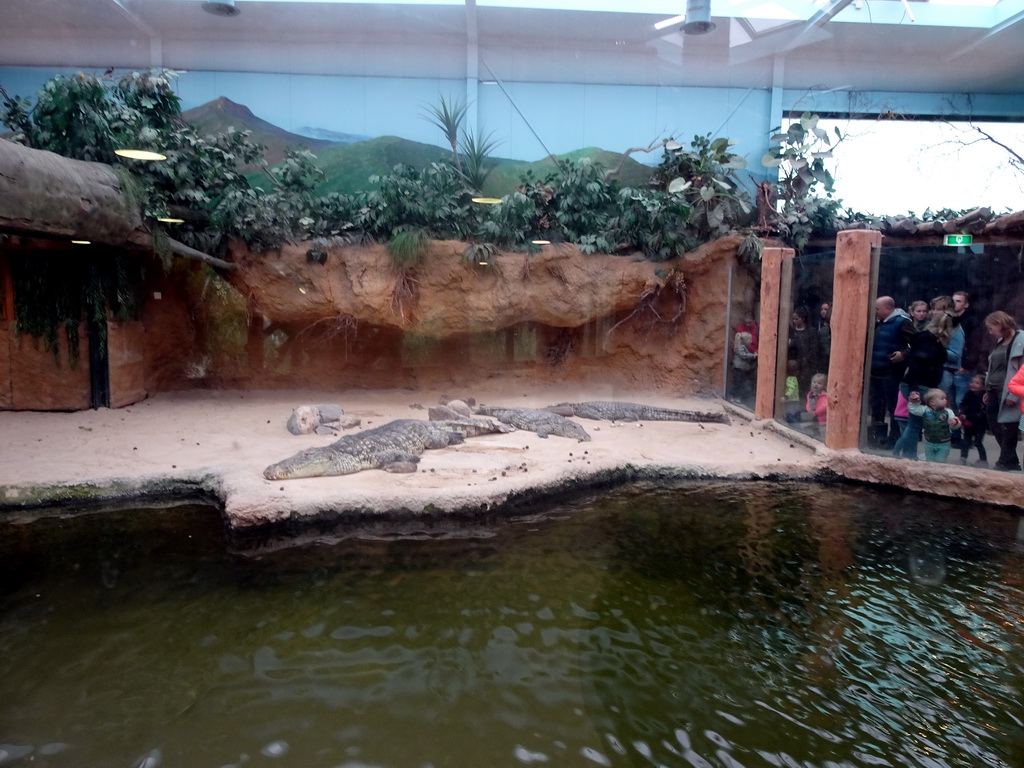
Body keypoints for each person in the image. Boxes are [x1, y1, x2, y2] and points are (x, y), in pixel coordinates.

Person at [891, 311, 954, 460]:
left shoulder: (927, 340)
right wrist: (914, 390)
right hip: (918, 384)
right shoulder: (928, 342)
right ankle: (898, 453)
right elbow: (917, 366)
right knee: (913, 425)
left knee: (914, 424)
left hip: (917, 384)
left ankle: (908, 455)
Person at [870, 296, 914, 448]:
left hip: (891, 371)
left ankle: (894, 437)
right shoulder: (879, 323)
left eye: (877, 309)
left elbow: (916, 343)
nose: (875, 312)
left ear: (888, 309)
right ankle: (878, 435)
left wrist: (904, 354)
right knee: (876, 404)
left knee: (892, 405)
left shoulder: (903, 322)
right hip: (876, 370)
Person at [983, 311, 1024, 471]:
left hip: (1010, 390)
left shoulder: (1020, 340)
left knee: (1009, 426)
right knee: (995, 426)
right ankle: (1011, 460)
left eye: (991, 327)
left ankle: (1004, 461)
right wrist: (987, 389)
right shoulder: (1000, 341)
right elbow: (993, 366)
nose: (990, 331)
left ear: (1000, 323)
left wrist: (1014, 395)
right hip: (994, 389)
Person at [906, 388, 960, 464]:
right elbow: (914, 409)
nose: (945, 400)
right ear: (932, 402)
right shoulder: (925, 410)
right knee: (930, 462)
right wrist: (912, 402)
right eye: (942, 399)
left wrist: (955, 422)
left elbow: (955, 423)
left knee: (940, 461)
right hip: (929, 442)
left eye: (945, 398)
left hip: (944, 443)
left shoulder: (948, 412)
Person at [952, 290, 981, 409]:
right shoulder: (948, 320)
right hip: (950, 366)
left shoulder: (971, 322)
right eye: (953, 301)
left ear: (966, 304)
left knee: (961, 400)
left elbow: (975, 346)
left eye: (958, 301)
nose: (955, 304)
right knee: (949, 401)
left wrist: (967, 365)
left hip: (963, 367)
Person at [787, 306, 820, 400]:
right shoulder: (791, 331)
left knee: (805, 389)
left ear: (803, 318)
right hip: (793, 365)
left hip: (807, 365)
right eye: (793, 319)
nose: (794, 321)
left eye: (796, 319)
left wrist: (807, 360)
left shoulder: (811, 331)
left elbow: (814, 349)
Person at [957, 373, 988, 467]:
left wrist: (968, 416)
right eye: (972, 382)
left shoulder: (983, 397)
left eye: (977, 383)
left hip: (979, 424)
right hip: (968, 423)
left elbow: (982, 413)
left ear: (983, 387)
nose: (973, 384)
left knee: (978, 441)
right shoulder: (969, 394)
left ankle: (983, 460)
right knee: (966, 440)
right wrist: (961, 412)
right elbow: (963, 404)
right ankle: (963, 457)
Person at [731, 330, 757, 404]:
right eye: (750, 339)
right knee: (737, 383)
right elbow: (744, 356)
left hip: (742, 368)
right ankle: (733, 396)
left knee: (740, 383)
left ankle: (737, 397)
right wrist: (753, 356)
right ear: (745, 340)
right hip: (738, 368)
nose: (751, 341)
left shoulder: (744, 347)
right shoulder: (740, 347)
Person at [800, 372, 828, 437]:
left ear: (824, 386)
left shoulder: (824, 396)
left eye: (819, 383)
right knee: (815, 429)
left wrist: (816, 412)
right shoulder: (810, 394)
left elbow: (824, 407)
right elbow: (808, 402)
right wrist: (808, 409)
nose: (816, 385)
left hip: (823, 420)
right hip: (813, 416)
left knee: (822, 432)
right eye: (814, 382)